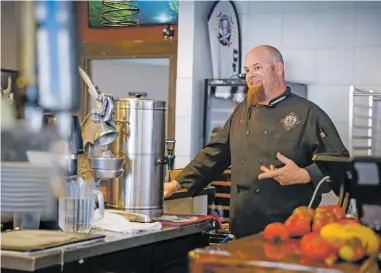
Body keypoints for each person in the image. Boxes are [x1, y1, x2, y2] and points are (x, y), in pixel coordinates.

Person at [164, 45, 349, 238]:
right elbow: (215, 154)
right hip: (242, 226)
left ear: (278, 69)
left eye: (257, 68)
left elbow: (338, 163)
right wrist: (176, 184)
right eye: (247, 70)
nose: (250, 75)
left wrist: (304, 174)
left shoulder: (307, 113)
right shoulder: (243, 111)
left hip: (290, 232)